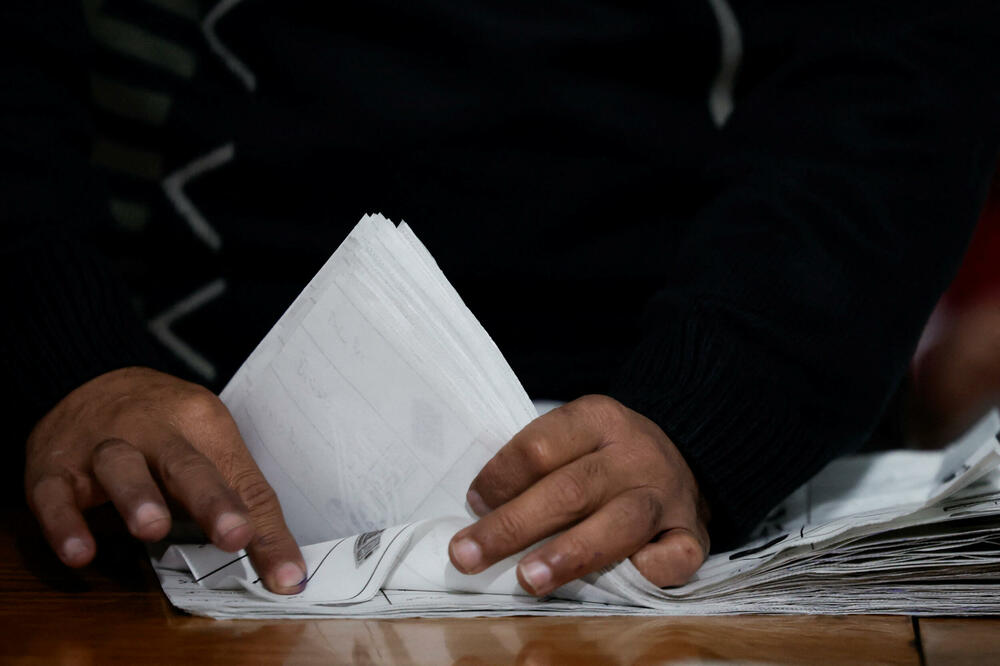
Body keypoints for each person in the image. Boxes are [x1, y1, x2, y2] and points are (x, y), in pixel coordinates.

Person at [3, 1, 999, 597]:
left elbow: (900, 63)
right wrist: (68, 355)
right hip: (144, 444)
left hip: (704, 453)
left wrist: (713, 413)